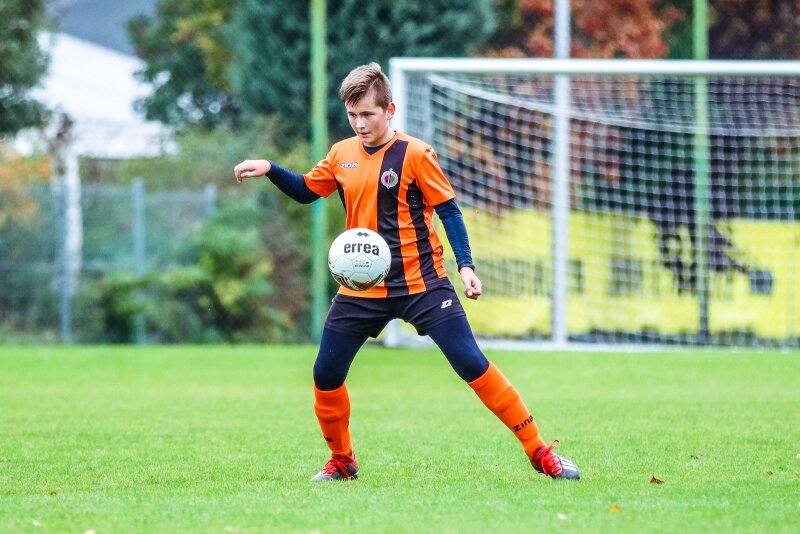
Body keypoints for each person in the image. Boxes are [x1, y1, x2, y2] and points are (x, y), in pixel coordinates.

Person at [233, 63, 580, 482]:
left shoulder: (416, 154)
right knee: (325, 374)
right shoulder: (341, 154)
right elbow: (308, 191)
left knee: (470, 362)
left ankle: (539, 451)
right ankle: (342, 460)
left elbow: (449, 211)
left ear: (390, 110)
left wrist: (466, 266)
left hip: (422, 283)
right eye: (353, 115)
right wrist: (271, 168)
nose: (360, 124)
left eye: (368, 114)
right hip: (363, 287)